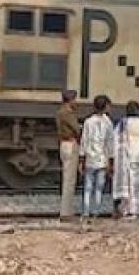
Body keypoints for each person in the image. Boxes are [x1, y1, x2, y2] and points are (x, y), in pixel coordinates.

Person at [112, 101, 139, 218]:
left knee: (128, 186)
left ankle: (129, 209)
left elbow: (116, 141)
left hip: (128, 158)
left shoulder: (123, 123)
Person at [80, 95, 114, 220]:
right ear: (105, 107)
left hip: (90, 158)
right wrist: (111, 160)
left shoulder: (88, 121)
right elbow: (110, 143)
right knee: (99, 188)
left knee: (88, 187)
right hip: (102, 159)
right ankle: (96, 212)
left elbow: (84, 140)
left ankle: (85, 212)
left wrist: (82, 158)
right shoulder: (108, 123)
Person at [55, 90, 81, 219]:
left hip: (63, 145)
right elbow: (76, 129)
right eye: (74, 100)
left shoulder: (59, 112)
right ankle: (66, 212)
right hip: (70, 145)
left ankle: (66, 210)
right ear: (70, 100)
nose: (76, 102)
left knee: (67, 178)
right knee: (69, 180)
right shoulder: (68, 113)